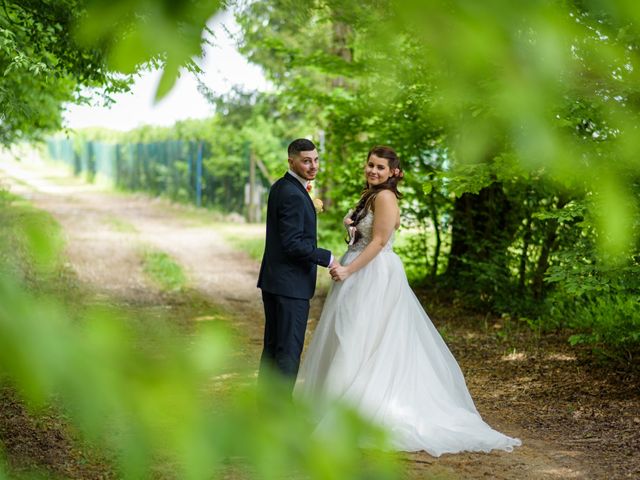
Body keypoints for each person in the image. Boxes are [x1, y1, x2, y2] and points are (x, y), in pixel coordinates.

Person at [294, 146, 522, 456]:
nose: (374, 170)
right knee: (348, 336)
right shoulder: (371, 195)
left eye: (380, 168)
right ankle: (340, 404)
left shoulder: (385, 197)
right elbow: (366, 233)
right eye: (371, 165)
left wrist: (348, 268)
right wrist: (351, 226)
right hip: (359, 272)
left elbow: (379, 241)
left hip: (373, 275)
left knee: (360, 337)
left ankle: (357, 410)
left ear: (392, 173)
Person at [257, 138, 336, 392]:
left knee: (273, 348)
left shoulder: (282, 186)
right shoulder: (292, 193)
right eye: (306, 161)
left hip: (275, 282)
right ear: (291, 161)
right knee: (288, 353)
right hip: (290, 286)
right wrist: (328, 258)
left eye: (315, 159)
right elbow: (292, 244)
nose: (313, 166)